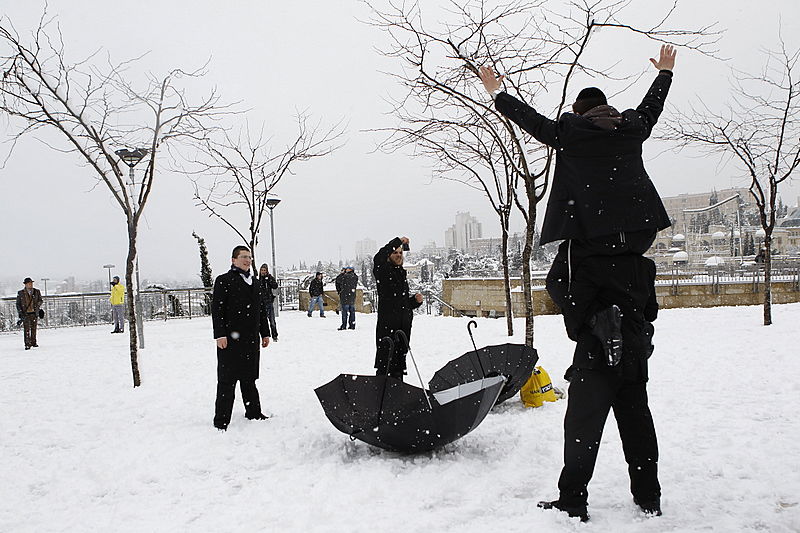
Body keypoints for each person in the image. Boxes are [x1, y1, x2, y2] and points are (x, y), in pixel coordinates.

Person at [479, 44, 676, 520]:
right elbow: (650, 111)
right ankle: (648, 495)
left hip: (595, 289)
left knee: (585, 415)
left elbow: (533, 123)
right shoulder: (630, 130)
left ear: (578, 113)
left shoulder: (571, 133)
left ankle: (573, 500)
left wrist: (497, 92)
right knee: (634, 406)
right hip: (632, 287)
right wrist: (665, 73)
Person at [211, 246, 272, 431]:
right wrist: (220, 334)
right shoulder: (224, 281)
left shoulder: (255, 282)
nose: (248, 260)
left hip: (251, 339)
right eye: (244, 257)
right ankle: (221, 419)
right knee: (227, 381)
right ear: (233, 260)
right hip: (229, 339)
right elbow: (217, 310)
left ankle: (253, 412)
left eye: (250, 257)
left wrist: (266, 332)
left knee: (249, 378)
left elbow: (261, 310)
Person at [373, 237, 423, 380]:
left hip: (403, 329)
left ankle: (397, 396)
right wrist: (397, 242)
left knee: (399, 368)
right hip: (388, 328)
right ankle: (382, 398)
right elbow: (378, 258)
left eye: (400, 253)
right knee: (385, 366)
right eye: (395, 252)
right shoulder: (383, 271)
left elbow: (401, 303)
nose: (399, 255)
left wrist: (414, 301)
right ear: (389, 255)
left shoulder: (401, 273)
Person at [16, 277, 43, 350]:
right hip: (26, 313)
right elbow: (18, 304)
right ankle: (27, 344)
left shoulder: (37, 291)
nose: (30, 284)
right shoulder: (20, 293)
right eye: (29, 283)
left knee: (34, 328)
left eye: (31, 283)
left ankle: (34, 342)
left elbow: (40, 300)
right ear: (25, 284)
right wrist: (20, 312)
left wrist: (37, 306)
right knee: (27, 329)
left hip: (34, 313)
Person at [258, 263, 279, 342]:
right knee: (262, 321)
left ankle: (275, 336)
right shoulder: (258, 280)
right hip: (261, 303)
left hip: (269, 302)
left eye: (264, 270)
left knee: (272, 321)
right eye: (262, 270)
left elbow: (275, 286)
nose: (263, 272)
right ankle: (264, 336)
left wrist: (270, 279)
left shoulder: (269, 278)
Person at [337, 266, 358, 331]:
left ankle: (344, 325)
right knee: (352, 311)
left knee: (345, 312)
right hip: (352, 296)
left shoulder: (344, 276)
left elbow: (338, 280)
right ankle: (352, 325)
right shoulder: (355, 276)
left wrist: (342, 273)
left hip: (345, 296)